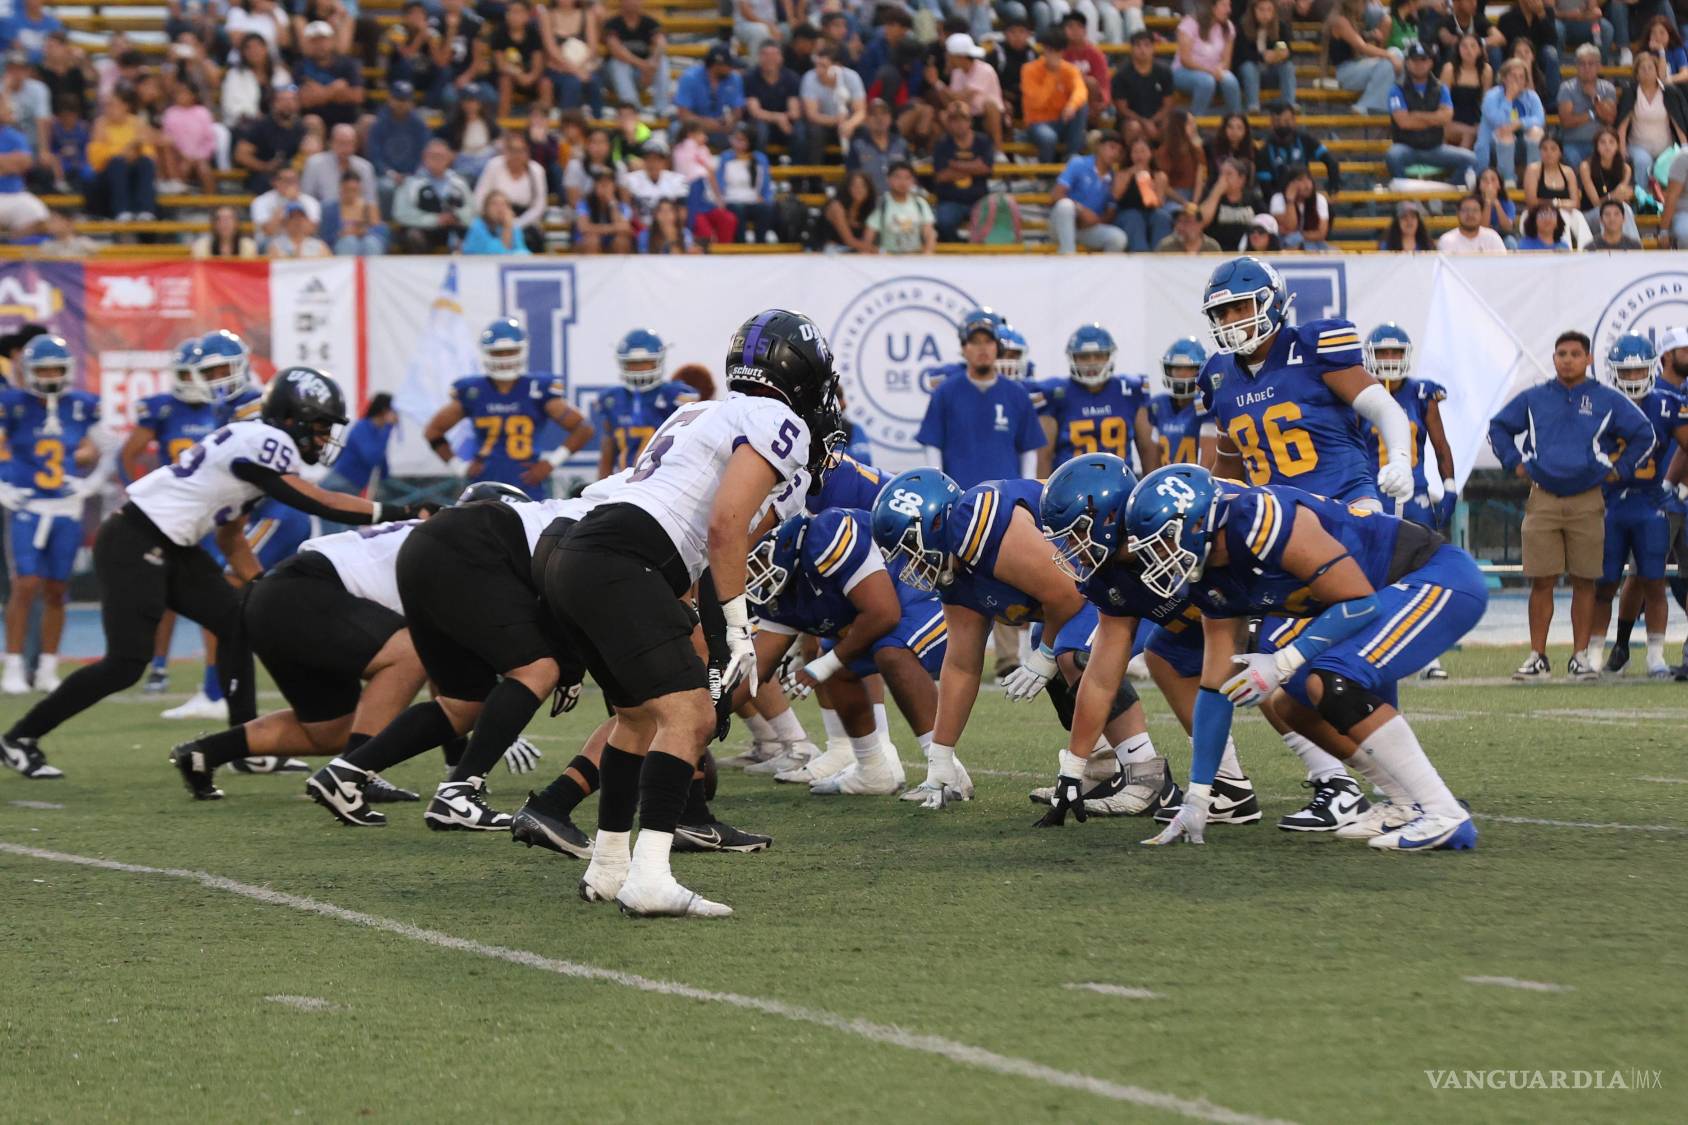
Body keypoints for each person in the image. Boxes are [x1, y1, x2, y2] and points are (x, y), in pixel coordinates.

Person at [547, 308, 840, 917]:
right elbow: (726, 525)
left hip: (579, 551)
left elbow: (710, 527)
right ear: (798, 373)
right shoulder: (778, 418)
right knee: (692, 715)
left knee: (635, 718)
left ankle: (610, 864)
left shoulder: (698, 411)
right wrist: (736, 625)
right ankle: (652, 877)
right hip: (623, 557)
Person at [0, 365, 420, 783]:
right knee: (126, 663)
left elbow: (231, 536)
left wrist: (263, 587)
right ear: (292, 419)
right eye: (321, 426)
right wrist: (399, 511)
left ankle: (247, 750)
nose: (325, 438)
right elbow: (316, 501)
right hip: (135, 537)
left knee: (236, 620)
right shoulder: (267, 441)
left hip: (171, 543)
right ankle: (19, 738)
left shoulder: (251, 445)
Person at [1075, 460, 1484, 851]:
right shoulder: (1208, 574)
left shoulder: (1258, 520)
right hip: (1376, 598)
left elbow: (1359, 602)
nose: (1157, 557)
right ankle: (1404, 802)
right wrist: (1197, 798)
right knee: (1293, 703)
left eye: (1163, 541)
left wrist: (1283, 661)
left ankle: (1443, 812)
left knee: (1332, 681)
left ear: (1198, 523)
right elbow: (1215, 688)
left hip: (1429, 576)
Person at [870, 465, 1188, 815]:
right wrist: (941, 755)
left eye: (909, 549)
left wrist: (1048, 654)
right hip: (1091, 587)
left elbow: (1067, 593)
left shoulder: (972, 523)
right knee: (1054, 644)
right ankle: (1100, 767)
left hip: (1132, 575)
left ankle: (1148, 778)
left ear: (934, 525)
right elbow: (962, 665)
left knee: (1071, 652)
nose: (908, 564)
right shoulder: (955, 573)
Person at [731, 508, 943, 795]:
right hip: (883, 613)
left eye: (758, 564)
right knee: (838, 666)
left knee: (890, 652)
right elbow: (757, 667)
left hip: (920, 595)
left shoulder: (825, 537)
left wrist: (826, 664)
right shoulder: (778, 595)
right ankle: (873, 770)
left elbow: (884, 614)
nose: (755, 575)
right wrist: (708, 718)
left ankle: (945, 768)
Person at [1488, 330, 1654, 681]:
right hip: (1543, 497)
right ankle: (1537, 657)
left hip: (1588, 499)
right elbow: (1498, 428)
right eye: (1561, 354)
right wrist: (1515, 463)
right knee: (1542, 579)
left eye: (1575, 354)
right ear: (1553, 358)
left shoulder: (1606, 399)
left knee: (1585, 580)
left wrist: (1620, 470)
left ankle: (1580, 657)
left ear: (1588, 359)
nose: (1567, 360)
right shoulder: (1533, 398)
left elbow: (1645, 434)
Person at [1198, 255, 1415, 510]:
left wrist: (1400, 460)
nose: (1230, 321)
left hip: (1346, 505)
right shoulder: (1218, 375)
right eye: (1221, 313)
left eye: (1241, 307)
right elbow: (1228, 464)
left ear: (1272, 302)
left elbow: (1384, 407)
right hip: (1278, 519)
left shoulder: (1312, 347)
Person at [0, 335, 101, 696]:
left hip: (65, 508)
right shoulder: (13, 404)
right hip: (27, 506)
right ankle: (13, 665)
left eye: (56, 369)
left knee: (58, 588)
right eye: (43, 370)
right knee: (25, 584)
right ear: (29, 371)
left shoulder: (80, 405)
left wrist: (90, 481)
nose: (50, 376)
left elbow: (104, 447)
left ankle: (47, 667)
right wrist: (3, 486)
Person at [1587, 334, 1688, 679]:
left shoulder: (1666, 403)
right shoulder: (1599, 403)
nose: (1632, 378)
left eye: (1638, 371)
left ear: (1651, 368)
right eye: (1626, 372)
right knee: (1605, 583)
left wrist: (1676, 486)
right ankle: (1595, 653)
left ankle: (1655, 656)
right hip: (1611, 504)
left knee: (1654, 581)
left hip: (1650, 502)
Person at [423, 318, 594, 500]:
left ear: (522, 350)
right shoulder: (473, 391)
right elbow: (433, 431)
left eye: (511, 351)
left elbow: (583, 428)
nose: (505, 358)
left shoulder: (536, 388)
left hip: (525, 482)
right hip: (484, 482)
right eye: (498, 352)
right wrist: (459, 467)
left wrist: (551, 463)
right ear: (486, 353)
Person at [916, 309, 1044, 494]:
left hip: (1007, 499)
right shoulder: (945, 392)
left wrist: (1026, 491)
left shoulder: (1018, 394)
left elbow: (1028, 450)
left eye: (988, 341)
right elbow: (932, 446)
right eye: (975, 342)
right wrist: (939, 488)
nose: (982, 348)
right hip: (960, 497)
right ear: (964, 349)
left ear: (997, 347)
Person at [1362, 323, 1456, 537]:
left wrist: (1450, 488)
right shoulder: (1361, 394)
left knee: (1424, 552)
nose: (1389, 358)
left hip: (1415, 492)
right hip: (1373, 492)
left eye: (1395, 352)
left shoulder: (1421, 393)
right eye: (1382, 352)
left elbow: (1440, 445)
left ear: (1405, 354)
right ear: (1371, 355)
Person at [1028, 323, 1153, 475]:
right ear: (1073, 358)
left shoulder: (1130, 390)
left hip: (1120, 484)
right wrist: (1043, 488)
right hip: (1071, 486)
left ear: (1109, 356)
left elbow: (1147, 449)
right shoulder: (1055, 393)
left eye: (1099, 355)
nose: (1092, 362)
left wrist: (1151, 486)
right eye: (1084, 357)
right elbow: (1044, 456)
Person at [593, 328, 697, 478]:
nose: (639, 368)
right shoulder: (611, 398)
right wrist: (601, 485)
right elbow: (608, 450)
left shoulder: (675, 395)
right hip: (623, 481)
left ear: (659, 361)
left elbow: (693, 446)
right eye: (633, 363)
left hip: (665, 480)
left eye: (645, 362)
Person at [1386, 42, 1477, 182]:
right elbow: (1403, 122)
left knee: (1471, 159)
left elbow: (1446, 118)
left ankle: (1447, 191)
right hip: (1406, 147)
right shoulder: (1397, 89)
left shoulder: (1441, 88)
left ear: (1430, 62)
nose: (1419, 64)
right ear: (1407, 63)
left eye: (1423, 59)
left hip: (1434, 148)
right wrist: (1435, 118)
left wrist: (1416, 115)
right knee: (1393, 155)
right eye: (1415, 60)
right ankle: (1405, 194)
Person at [1618, 52, 1688, 194]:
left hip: (1666, 147)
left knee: (1672, 165)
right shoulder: (1631, 93)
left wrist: (1684, 146)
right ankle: (1643, 199)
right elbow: (1622, 125)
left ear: (1657, 71)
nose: (1647, 71)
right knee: (1643, 161)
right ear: (1637, 73)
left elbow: (1677, 121)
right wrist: (1622, 149)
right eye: (1642, 69)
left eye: (1650, 68)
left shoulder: (1668, 93)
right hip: (1638, 145)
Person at [1050, 129, 1128, 254]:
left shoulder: (1114, 177)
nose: (1115, 153)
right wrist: (1081, 211)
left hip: (1087, 228)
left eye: (1119, 151)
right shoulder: (1078, 163)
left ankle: (1103, 268)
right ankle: (1068, 256)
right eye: (1112, 147)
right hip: (1062, 225)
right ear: (1099, 147)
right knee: (1065, 206)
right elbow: (1056, 194)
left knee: (1118, 239)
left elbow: (1110, 213)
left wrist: (1095, 221)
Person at [84, 89, 157, 221]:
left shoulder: (137, 123)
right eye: (106, 106)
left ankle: (145, 210)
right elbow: (95, 159)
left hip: (134, 169)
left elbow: (149, 152)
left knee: (146, 163)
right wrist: (124, 151)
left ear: (125, 106)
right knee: (117, 163)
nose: (109, 109)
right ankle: (122, 210)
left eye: (113, 105)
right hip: (108, 174)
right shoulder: (100, 124)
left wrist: (134, 153)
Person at [392, 138, 474, 253]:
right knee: (413, 235)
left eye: (441, 156)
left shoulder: (459, 183)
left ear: (449, 158)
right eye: (433, 156)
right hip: (425, 231)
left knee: (475, 233)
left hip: (454, 229)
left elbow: (472, 211)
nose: (437, 160)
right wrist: (436, 220)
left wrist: (457, 216)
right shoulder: (410, 183)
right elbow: (401, 214)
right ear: (424, 158)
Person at [472, 131, 547, 252]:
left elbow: (539, 206)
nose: (517, 155)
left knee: (531, 240)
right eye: (512, 150)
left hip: (525, 221)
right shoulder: (493, 166)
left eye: (521, 151)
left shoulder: (536, 171)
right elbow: (479, 198)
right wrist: (493, 219)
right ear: (505, 151)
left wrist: (515, 224)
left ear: (528, 152)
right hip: (493, 220)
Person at [1021, 30, 1087, 165]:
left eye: (1057, 51)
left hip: (1062, 120)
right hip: (1037, 122)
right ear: (1044, 49)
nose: (1053, 55)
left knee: (1081, 106)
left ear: (1062, 52)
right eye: (1049, 50)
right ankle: (1045, 172)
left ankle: (1071, 156)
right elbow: (1036, 102)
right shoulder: (1029, 70)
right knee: (1048, 138)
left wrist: (1072, 105)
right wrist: (1052, 75)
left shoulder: (1070, 70)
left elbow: (1081, 91)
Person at [930, 101, 992, 242]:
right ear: (949, 122)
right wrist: (974, 167)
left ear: (970, 121)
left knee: (994, 218)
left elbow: (986, 168)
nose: (959, 124)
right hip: (950, 201)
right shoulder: (942, 144)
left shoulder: (983, 141)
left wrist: (954, 164)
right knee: (943, 221)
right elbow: (941, 176)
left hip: (979, 200)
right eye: (954, 120)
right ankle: (959, 245)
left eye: (963, 119)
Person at [1476, 58, 1545, 184]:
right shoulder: (1491, 96)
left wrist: (1519, 123)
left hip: (1522, 144)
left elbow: (1540, 119)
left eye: (1521, 77)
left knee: (1536, 131)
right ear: (1504, 78)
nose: (1517, 80)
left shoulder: (1532, 96)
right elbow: (1498, 122)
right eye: (1513, 76)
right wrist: (1509, 98)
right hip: (1493, 145)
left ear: (1526, 80)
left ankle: (1534, 177)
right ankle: (1507, 180)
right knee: (1505, 134)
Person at [1147, 337, 1213, 468]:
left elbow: (1208, 463)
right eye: (1177, 368)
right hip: (1166, 479)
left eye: (1189, 369)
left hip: (1195, 478)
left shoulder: (1207, 404)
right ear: (1168, 370)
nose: (1182, 374)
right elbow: (1152, 464)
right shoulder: (1158, 405)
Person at [1326, 0, 1399, 116]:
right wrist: (1389, 55)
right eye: (1364, 3)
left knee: (1396, 53)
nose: (1366, 7)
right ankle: (1364, 106)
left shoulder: (1354, 20)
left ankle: (1390, 104)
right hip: (1345, 72)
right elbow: (1362, 47)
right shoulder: (1340, 21)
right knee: (1389, 61)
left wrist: (1376, 39)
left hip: (1358, 65)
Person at [1257, 100, 1339, 197]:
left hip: (1306, 194)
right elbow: (1266, 189)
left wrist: (1332, 186)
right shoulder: (1265, 151)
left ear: (1294, 120)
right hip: (1280, 198)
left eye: (1287, 121)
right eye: (1277, 121)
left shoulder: (1305, 139)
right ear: (1271, 123)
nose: (1282, 125)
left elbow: (1331, 162)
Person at [602, 0, 669, 118]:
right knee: (618, 63)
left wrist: (653, 62)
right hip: (614, 77)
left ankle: (662, 109)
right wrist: (643, 65)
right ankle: (633, 109)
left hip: (642, 74)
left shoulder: (649, 22)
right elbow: (617, 51)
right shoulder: (612, 23)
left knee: (662, 61)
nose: (633, 2)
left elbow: (661, 43)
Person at [320, 392, 396, 496]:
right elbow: (372, 457)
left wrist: (386, 478)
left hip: (351, 484)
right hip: (341, 482)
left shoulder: (378, 431)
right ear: (385, 410)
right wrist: (388, 427)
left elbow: (380, 457)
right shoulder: (362, 427)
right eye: (393, 411)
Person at [1173, 0, 1241, 116]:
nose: (1229, 10)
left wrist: (1219, 69)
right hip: (1184, 71)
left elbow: (1226, 61)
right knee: (1206, 81)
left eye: (1229, 5)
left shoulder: (1228, 27)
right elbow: (1185, 60)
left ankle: (1236, 118)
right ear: (1212, 7)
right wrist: (1209, 71)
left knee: (1230, 80)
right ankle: (1196, 119)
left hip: (1214, 71)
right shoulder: (1190, 23)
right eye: (1224, 5)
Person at [295, 19, 362, 130]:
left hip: (347, 121)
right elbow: (303, 101)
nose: (319, 45)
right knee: (311, 122)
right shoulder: (301, 66)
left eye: (323, 40)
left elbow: (357, 96)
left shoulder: (347, 64)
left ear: (332, 41)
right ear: (308, 44)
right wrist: (334, 89)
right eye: (314, 41)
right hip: (314, 120)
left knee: (367, 122)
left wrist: (319, 94)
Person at [1111, 29, 1174, 146]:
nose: (1142, 49)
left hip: (1157, 118)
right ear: (1131, 49)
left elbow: (1168, 105)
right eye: (1138, 45)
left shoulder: (1164, 72)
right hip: (1131, 120)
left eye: (1147, 45)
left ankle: (1165, 157)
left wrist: (1152, 121)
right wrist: (1144, 122)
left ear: (1153, 48)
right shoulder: (1121, 74)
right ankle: (1131, 156)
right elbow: (1122, 109)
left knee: (1170, 125)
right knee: (1134, 127)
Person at [1557, 44, 1616, 168]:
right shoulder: (1567, 88)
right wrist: (1592, 114)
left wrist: (1595, 97)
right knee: (1573, 161)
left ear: (1598, 66)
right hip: (1572, 143)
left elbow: (1609, 118)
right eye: (1582, 64)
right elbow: (1566, 121)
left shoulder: (1608, 88)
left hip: (1600, 143)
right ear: (1576, 66)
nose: (1586, 68)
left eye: (1591, 64)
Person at [676, 43, 745, 147]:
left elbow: (737, 111)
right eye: (729, 65)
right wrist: (707, 124)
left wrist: (731, 120)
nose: (732, 69)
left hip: (723, 129)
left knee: (744, 133)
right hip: (695, 127)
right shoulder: (690, 78)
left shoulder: (734, 79)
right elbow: (684, 115)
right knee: (676, 129)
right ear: (717, 65)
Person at [1234, 0, 1294, 112]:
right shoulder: (1242, 26)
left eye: (1269, 10)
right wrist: (1263, 57)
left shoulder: (1280, 26)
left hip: (1271, 71)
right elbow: (1242, 54)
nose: (1265, 14)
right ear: (1253, 10)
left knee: (1288, 66)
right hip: (1249, 74)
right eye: (1261, 10)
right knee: (1248, 67)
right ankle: (1253, 106)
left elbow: (1284, 47)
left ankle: (1289, 105)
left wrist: (1281, 54)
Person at [743, 38, 802, 152]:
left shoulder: (791, 78)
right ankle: (759, 162)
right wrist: (777, 117)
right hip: (761, 121)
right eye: (765, 55)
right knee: (760, 130)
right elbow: (755, 111)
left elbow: (794, 112)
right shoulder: (750, 78)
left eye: (774, 55)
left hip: (785, 121)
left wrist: (783, 118)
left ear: (781, 57)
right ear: (759, 57)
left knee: (800, 131)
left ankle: (799, 162)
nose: (770, 59)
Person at [0, 92, 47, 234]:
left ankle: (12, 244)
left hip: (13, 195)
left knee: (38, 213)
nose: (8, 109)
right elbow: (17, 163)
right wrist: (10, 162)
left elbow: (25, 163)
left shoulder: (15, 136)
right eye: (3, 105)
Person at [865, 159, 935, 254]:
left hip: (915, 256)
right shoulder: (881, 203)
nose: (903, 182)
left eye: (907, 178)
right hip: (887, 257)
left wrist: (927, 254)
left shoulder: (920, 203)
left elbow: (929, 233)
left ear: (913, 181)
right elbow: (869, 236)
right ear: (888, 179)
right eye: (897, 177)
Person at [1114, 136, 1171, 251]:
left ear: (1151, 154)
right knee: (1134, 217)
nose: (1139, 155)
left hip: (1151, 212)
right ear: (1130, 155)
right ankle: (1140, 253)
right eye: (1135, 152)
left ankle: (1160, 254)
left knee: (1162, 217)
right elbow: (1116, 196)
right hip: (1127, 213)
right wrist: (1130, 174)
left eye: (1143, 151)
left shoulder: (1159, 176)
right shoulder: (1122, 174)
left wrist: (1149, 188)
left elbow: (1159, 203)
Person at [301, 122, 375, 207]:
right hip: (322, 211)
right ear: (331, 143)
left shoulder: (365, 167)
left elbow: (370, 201)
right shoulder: (314, 163)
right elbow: (306, 198)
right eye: (341, 143)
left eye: (350, 143)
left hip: (356, 212)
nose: (346, 148)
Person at [845, 98, 909, 195]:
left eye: (884, 114)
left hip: (896, 200)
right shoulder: (857, 146)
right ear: (866, 120)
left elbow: (909, 175)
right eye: (874, 114)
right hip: (868, 201)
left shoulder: (901, 144)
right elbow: (852, 178)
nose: (880, 118)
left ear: (890, 118)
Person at [1439, 32, 1491, 151]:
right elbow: (1441, 103)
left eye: (1473, 46)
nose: (1469, 50)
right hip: (1451, 120)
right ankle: (1461, 161)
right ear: (1458, 49)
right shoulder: (1450, 69)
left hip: (1474, 120)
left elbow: (1486, 102)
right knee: (1470, 134)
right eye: (1464, 46)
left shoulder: (1486, 70)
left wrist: (1483, 124)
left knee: (1479, 132)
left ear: (1480, 50)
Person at [1269, 164, 1331, 250]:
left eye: (1309, 179)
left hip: (1313, 244)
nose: (1307, 185)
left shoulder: (1319, 199)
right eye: (1300, 180)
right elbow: (1290, 227)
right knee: (1291, 242)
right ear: (1290, 183)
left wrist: (1298, 235)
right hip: (1284, 244)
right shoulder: (1278, 198)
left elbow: (1321, 233)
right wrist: (1290, 201)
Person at [574, 168, 633, 252]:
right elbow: (583, 227)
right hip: (588, 241)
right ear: (595, 186)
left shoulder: (622, 206)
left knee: (622, 241)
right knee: (592, 240)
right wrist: (610, 228)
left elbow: (625, 227)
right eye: (600, 183)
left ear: (614, 186)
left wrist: (612, 203)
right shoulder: (584, 203)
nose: (604, 187)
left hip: (611, 241)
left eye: (607, 183)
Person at [822, 168, 877, 253]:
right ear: (847, 188)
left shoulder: (869, 209)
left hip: (854, 251)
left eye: (863, 186)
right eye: (854, 186)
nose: (859, 189)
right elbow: (849, 241)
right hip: (827, 252)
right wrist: (876, 250)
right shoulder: (836, 206)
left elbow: (867, 241)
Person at [461, 187, 530, 255]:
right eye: (494, 204)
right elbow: (495, 253)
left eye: (503, 204)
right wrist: (507, 228)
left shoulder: (514, 227)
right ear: (486, 208)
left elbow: (522, 252)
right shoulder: (478, 226)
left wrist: (508, 226)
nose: (500, 208)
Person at [1436, 191, 1508, 252]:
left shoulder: (1492, 237)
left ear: (1481, 213)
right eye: (1465, 210)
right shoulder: (1447, 240)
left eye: (1475, 210)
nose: (1470, 214)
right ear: (1458, 214)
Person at [1154, 201, 1222, 252]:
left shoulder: (1212, 247)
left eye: (1187, 222)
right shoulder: (1165, 247)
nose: (1180, 226)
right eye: (1178, 221)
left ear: (1200, 224)